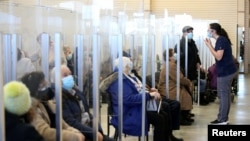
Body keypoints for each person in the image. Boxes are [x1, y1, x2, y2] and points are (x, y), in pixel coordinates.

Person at [101, 56, 171, 141]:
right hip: (127, 113)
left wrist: (149, 92)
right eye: (129, 65)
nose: (130, 66)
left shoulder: (125, 77)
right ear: (125, 66)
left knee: (163, 114)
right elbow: (129, 100)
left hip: (134, 108)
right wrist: (149, 95)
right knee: (159, 119)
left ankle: (167, 138)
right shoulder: (120, 81)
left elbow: (138, 90)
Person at [50, 65, 114, 141]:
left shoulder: (76, 92)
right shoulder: (57, 97)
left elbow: (87, 113)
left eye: (70, 74)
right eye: (65, 75)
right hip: (77, 134)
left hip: (87, 130)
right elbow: (70, 122)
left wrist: (97, 129)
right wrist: (92, 133)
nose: (70, 77)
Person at [20, 71, 85, 141]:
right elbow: (44, 132)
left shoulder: (46, 104)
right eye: (43, 86)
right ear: (35, 89)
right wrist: (73, 136)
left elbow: (63, 125)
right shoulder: (31, 109)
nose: (47, 87)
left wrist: (75, 132)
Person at [204, 23, 237, 125]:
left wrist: (209, 46)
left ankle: (222, 119)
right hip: (227, 71)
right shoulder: (221, 40)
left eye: (208, 29)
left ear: (213, 31)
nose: (207, 31)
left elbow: (218, 57)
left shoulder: (221, 40)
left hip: (225, 73)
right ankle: (223, 118)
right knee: (225, 95)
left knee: (223, 96)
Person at [158, 48, 194, 126]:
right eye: (174, 54)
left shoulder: (170, 65)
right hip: (168, 89)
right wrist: (188, 82)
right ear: (170, 57)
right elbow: (180, 78)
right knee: (184, 94)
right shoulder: (171, 65)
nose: (176, 55)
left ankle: (184, 115)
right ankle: (182, 117)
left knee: (185, 90)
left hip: (170, 87)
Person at [175, 26, 208, 105]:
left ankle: (189, 108)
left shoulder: (192, 43)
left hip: (192, 71)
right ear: (184, 33)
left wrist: (198, 64)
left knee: (190, 89)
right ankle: (185, 110)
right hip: (184, 71)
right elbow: (178, 59)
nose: (191, 33)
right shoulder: (180, 44)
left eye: (191, 31)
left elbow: (196, 55)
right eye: (189, 31)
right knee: (186, 91)